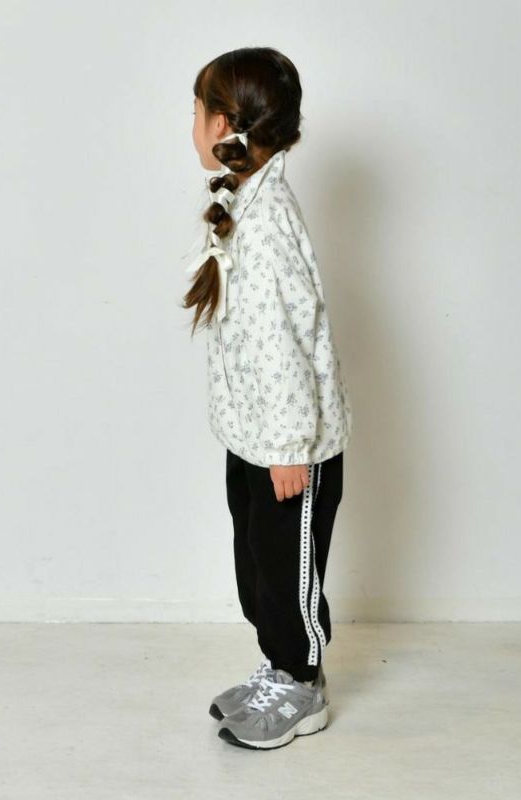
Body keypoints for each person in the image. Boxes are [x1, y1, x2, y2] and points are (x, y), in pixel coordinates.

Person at [182, 47, 354, 750]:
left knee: (289, 576)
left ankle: (302, 686)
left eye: (197, 110)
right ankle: (278, 669)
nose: (192, 123)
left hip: (290, 447)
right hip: (254, 436)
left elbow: (285, 340)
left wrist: (288, 449)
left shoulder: (270, 221)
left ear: (224, 122)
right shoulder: (245, 201)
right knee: (257, 567)